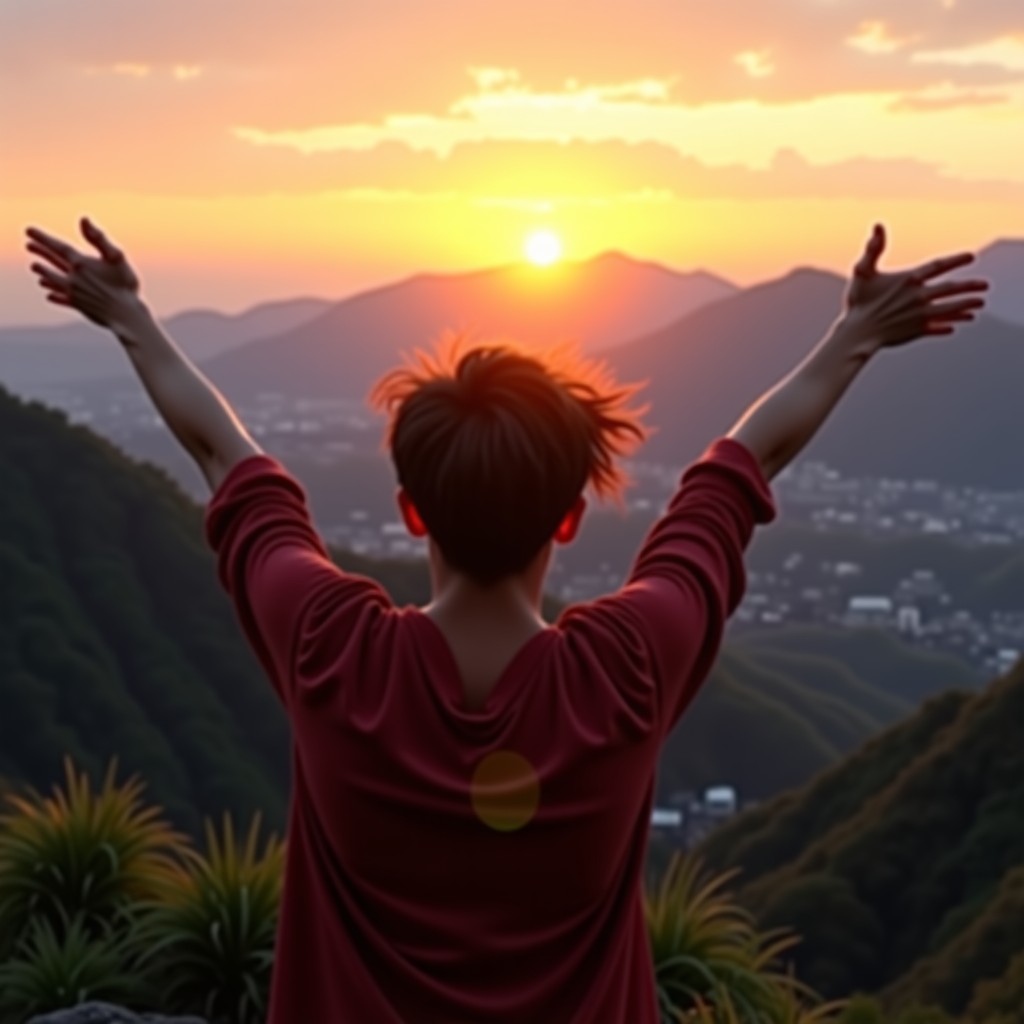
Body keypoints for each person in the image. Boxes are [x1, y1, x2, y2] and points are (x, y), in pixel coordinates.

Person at [26, 219, 987, 1022]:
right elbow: (740, 467)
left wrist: (132, 321)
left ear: (411, 512)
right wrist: (854, 335)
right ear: (569, 517)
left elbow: (220, 450)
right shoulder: (626, 669)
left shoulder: (332, 650)